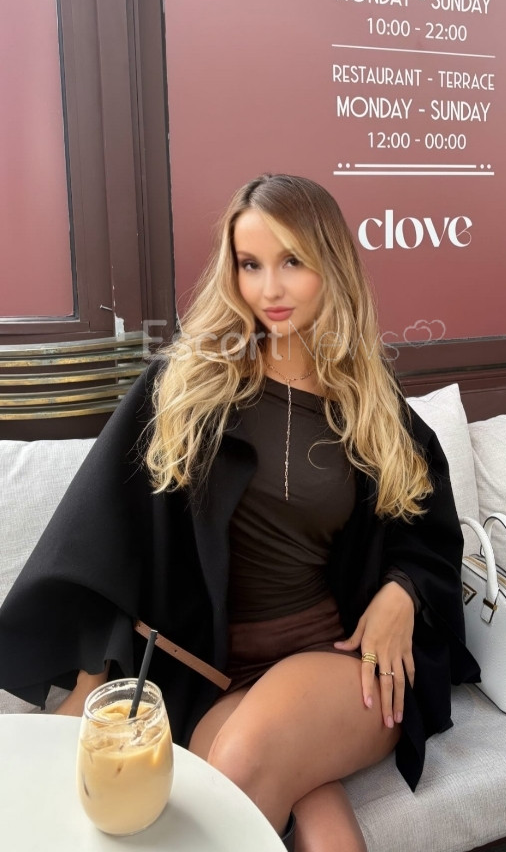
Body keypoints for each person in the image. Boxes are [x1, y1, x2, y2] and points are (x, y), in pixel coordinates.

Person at [0, 174, 479, 851]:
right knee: (295, 820)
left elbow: (427, 527)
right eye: (250, 265)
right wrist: (92, 677)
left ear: (332, 266)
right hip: (216, 672)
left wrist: (403, 592)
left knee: (238, 768)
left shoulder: (371, 405)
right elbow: (107, 534)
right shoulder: (186, 387)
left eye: (292, 262)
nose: (269, 289)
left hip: (340, 658)